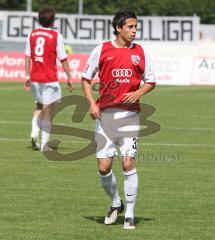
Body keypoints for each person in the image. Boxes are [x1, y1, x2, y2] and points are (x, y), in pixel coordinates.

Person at [81, 10, 156, 230]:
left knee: (128, 162)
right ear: (118, 28)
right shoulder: (101, 50)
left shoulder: (141, 52)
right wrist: (91, 103)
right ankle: (116, 203)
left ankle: (130, 213)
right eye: (130, 27)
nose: (134, 31)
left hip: (130, 116)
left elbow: (151, 81)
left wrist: (139, 93)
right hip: (104, 117)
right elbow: (85, 79)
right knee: (104, 167)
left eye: (136, 27)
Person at [24, 7, 73, 151]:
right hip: (49, 79)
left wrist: (27, 75)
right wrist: (69, 77)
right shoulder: (56, 35)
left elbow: (27, 56)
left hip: (34, 78)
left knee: (38, 106)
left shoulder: (32, 34)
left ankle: (34, 133)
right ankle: (45, 144)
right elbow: (63, 59)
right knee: (48, 112)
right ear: (52, 20)